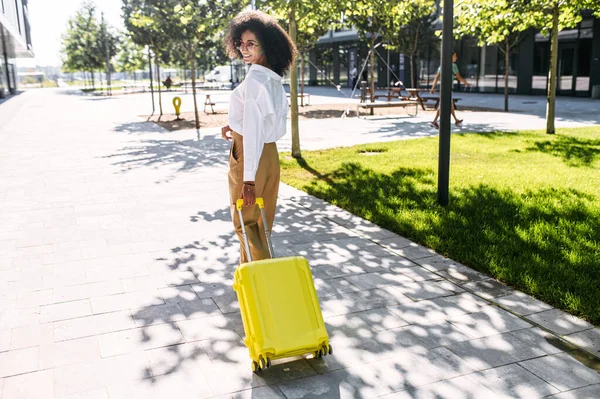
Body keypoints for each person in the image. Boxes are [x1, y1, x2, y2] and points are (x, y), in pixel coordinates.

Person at [221, 10, 296, 264]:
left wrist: (249, 180)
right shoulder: (273, 80)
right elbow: (265, 123)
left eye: (251, 43)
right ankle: (249, 283)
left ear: (267, 45)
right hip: (270, 155)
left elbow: (253, 133)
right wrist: (235, 124)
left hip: (250, 156)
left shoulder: (254, 83)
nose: (244, 48)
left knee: (246, 225)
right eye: (241, 43)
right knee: (261, 224)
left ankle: (267, 285)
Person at [430, 52, 471, 129]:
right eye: (455, 56)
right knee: (443, 105)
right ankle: (434, 121)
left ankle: (456, 120)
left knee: (450, 105)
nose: (456, 57)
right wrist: (466, 83)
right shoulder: (454, 66)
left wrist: (433, 87)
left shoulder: (441, 66)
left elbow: (436, 78)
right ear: (451, 57)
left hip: (442, 88)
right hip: (448, 89)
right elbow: (458, 77)